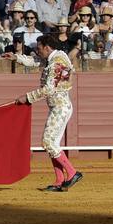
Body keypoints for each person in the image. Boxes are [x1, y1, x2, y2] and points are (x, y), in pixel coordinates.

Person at [21, 35, 83, 192]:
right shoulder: (53, 58)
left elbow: (49, 89)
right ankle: (60, 180)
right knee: (51, 144)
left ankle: (72, 172)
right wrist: (15, 58)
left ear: (47, 47)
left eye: (39, 48)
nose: (37, 50)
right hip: (58, 107)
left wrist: (27, 98)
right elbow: (34, 62)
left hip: (60, 107)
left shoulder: (57, 62)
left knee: (48, 142)